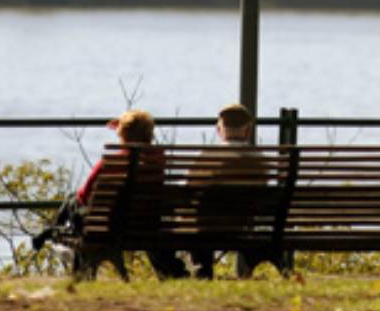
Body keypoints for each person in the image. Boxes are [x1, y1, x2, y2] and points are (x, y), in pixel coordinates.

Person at [31, 109, 189, 279]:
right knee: (74, 200)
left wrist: (124, 131)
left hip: (109, 226)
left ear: (123, 134)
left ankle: (54, 231)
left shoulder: (112, 163)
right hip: (144, 225)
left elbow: (84, 195)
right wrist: (129, 129)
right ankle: (53, 230)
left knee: (72, 199)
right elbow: (140, 149)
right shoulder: (158, 161)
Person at [184, 103, 266, 278]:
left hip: (208, 228)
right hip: (243, 227)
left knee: (198, 225)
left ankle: (203, 273)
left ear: (219, 130)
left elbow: (189, 188)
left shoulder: (207, 156)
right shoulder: (259, 159)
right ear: (248, 130)